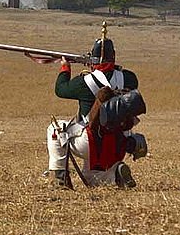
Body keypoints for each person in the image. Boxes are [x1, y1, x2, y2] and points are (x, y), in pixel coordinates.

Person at [46, 33, 148, 189]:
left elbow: (60, 89)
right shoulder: (129, 78)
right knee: (92, 180)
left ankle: (60, 179)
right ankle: (115, 175)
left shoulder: (84, 82)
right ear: (113, 56)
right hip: (119, 143)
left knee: (54, 128)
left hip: (91, 143)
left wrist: (65, 66)